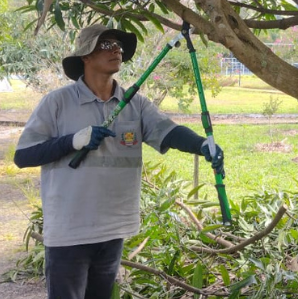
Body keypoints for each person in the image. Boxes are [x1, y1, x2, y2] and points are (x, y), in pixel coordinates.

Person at [14, 24, 226, 299]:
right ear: (85, 56)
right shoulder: (57, 103)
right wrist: (72, 141)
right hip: (70, 230)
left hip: (112, 228)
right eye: (106, 45)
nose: (115, 50)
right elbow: (24, 155)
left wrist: (202, 145)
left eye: (118, 46)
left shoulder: (135, 104)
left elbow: (169, 132)